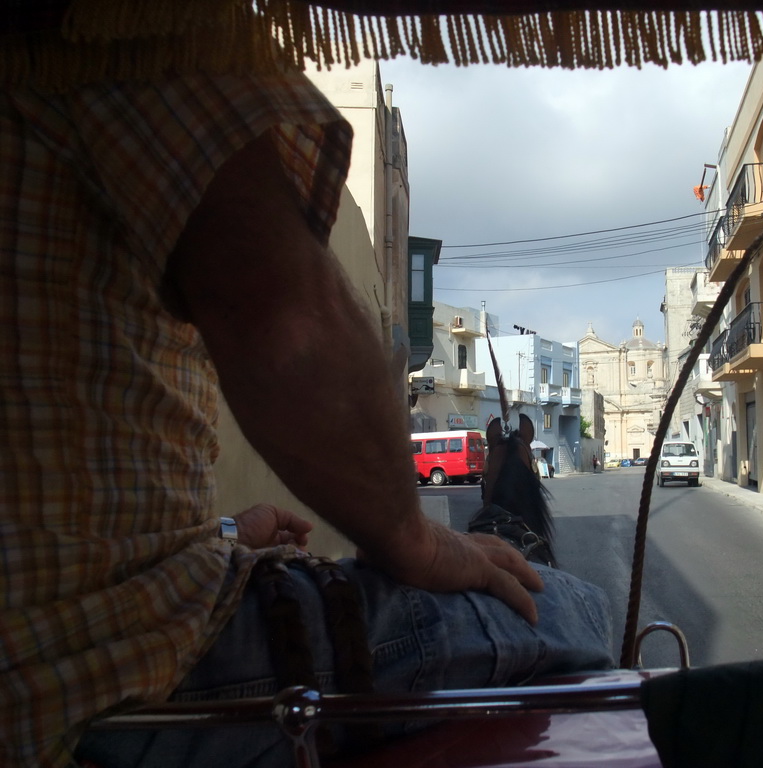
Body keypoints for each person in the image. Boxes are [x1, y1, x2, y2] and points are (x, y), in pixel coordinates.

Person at [0, 68, 612, 768]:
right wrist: (416, 539)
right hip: (114, 656)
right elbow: (284, 318)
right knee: (573, 607)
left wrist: (226, 532)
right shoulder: (119, 34)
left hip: (49, 649)